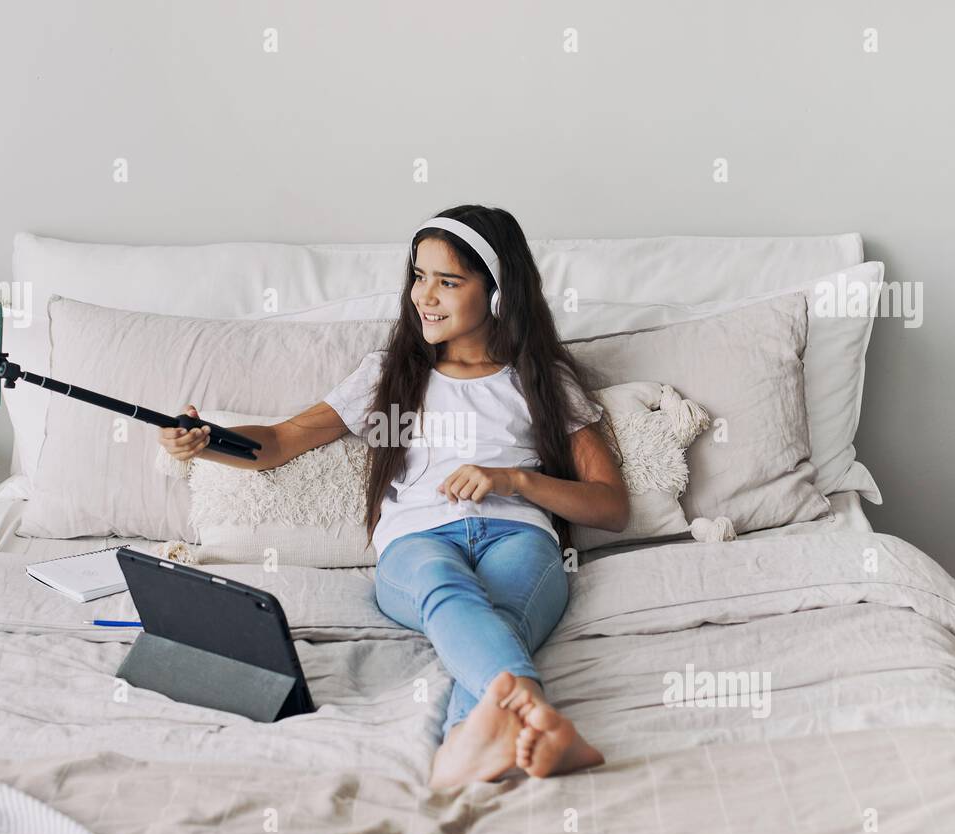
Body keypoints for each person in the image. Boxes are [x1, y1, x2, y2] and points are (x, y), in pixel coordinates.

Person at [158, 205, 628, 789]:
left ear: (499, 291)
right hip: (418, 539)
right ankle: (536, 715)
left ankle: (467, 744)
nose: (423, 296)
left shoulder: (541, 380)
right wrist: (206, 443)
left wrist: (516, 480)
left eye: (448, 281)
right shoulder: (389, 375)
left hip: (519, 535)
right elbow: (278, 441)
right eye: (418, 275)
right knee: (445, 590)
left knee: (497, 620)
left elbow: (611, 507)